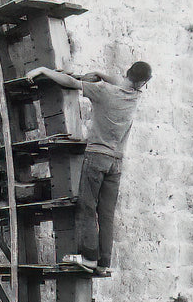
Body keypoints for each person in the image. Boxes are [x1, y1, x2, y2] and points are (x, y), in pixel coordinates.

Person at [26, 60, 152, 273]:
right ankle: (103, 263)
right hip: (116, 162)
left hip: (96, 157)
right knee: (106, 214)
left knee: (86, 205)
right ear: (142, 83)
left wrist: (44, 70)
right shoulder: (134, 96)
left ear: (127, 72)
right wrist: (102, 73)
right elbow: (126, 82)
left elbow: (70, 81)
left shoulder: (103, 92)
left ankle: (89, 257)